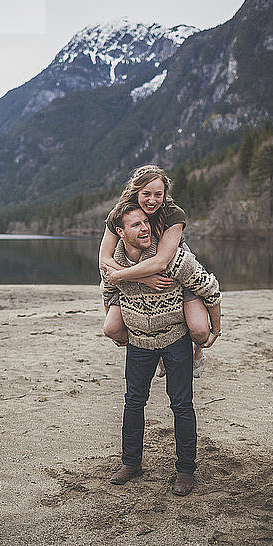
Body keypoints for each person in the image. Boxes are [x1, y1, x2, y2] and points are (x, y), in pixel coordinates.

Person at [101, 201, 222, 495]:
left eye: (146, 222)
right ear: (120, 231)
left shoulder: (172, 258)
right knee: (133, 402)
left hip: (174, 339)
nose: (144, 228)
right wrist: (120, 322)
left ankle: (185, 471)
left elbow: (210, 288)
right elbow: (108, 292)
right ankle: (131, 463)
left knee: (181, 405)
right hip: (140, 343)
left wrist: (214, 330)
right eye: (135, 224)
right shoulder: (114, 264)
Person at [99, 165, 210, 378]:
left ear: (165, 194)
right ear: (136, 192)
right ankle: (157, 351)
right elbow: (104, 258)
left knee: (199, 331)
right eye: (146, 194)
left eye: (158, 194)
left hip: (173, 272)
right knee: (111, 328)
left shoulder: (173, 213)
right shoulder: (122, 214)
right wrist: (144, 279)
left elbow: (160, 262)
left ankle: (196, 352)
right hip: (133, 270)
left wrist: (123, 276)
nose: (152, 200)